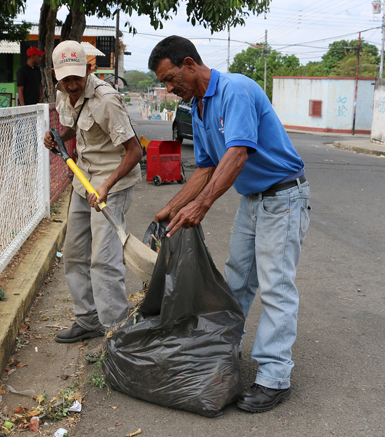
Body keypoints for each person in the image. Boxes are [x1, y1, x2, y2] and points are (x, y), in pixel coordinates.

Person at [148, 36, 311, 413]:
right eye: (166, 84)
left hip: (284, 198)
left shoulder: (235, 89)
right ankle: (222, 353)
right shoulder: (200, 108)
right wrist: (171, 208)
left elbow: (237, 153)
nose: (171, 90)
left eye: (172, 79)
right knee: (236, 279)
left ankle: (274, 377)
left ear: (190, 63)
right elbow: (205, 168)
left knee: (276, 287)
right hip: (253, 200)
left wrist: (201, 207)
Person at [43, 41, 142, 343]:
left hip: (112, 182)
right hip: (83, 180)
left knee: (103, 258)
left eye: (78, 77)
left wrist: (106, 186)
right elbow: (77, 126)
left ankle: (115, 331)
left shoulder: (106, 100)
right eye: (65, 78)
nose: (72, 84)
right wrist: (57, 137)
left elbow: (135, 151)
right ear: (55, 75)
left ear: (89, 69)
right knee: (74, 253)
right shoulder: (64, 95)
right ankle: (87, 320)